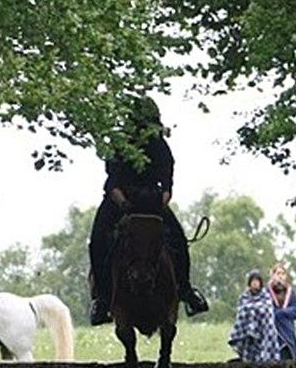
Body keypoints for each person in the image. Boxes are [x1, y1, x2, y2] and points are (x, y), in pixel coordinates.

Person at [88, 96, 208, 325]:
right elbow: (113, 183)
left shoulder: (160, 145)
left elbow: (167, 184)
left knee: (179, 241)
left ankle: (185, 290)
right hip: (120, 201)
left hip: (151, 201)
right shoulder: (119, 144)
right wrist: (123, 203)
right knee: (97, 243)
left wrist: (160, 202)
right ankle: (103, 300)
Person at [228, 270, 280, 363]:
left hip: (263, 329)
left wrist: (253, 310)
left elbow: (267, 310)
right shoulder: (244, 297)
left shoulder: (266, 296)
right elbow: (242, 311)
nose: (255, 283)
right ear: (249, 283)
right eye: (253, 281)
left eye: (257, 281)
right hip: (247, 330)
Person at [269, 262, 296, 359]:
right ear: (273, 275)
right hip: (272, 332)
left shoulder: (290, 292)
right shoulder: (267, 292)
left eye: (283, 273)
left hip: (288, 331)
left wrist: (283, 312)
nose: (280, 276)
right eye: (278, 273)